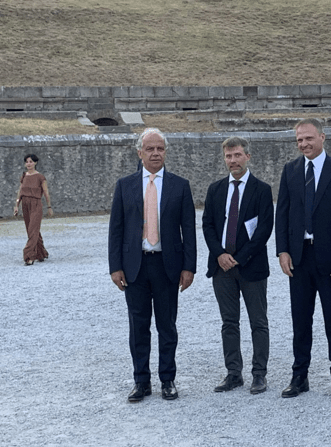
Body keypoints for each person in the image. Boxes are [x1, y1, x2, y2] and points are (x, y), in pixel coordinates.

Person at [108, 128, 197, 402]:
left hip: (167, 265)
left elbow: (189, 230)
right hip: (135, 266)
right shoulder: (125, 185)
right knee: (138, 326)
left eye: (160, 149)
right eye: (150, 149)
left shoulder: (180, 186)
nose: (156, 153)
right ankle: (141, 381)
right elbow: (116, 228)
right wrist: (115, 266)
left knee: (167, 326)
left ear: (165, 152)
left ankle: (167, 379)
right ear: (140, 152)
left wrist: (189, 267)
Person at [275, 118, 331, 398]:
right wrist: (282, 250)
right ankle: (300, 375)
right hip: (299, 258)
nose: (304, 144)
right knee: (301, 319)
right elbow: (282, 214)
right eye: (299, 140)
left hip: (329, 259)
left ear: (322, 137)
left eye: (308, 138)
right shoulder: (290, 171)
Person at [202, 137, 274, 395]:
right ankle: (234, 373)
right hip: (221, 268)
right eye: (228, 156)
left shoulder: (262, 190)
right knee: (229, 323)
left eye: (237, 155)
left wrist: (240, 257)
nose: (233, 160)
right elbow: (207, 225)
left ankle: (259, 374)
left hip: (251, 267)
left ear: (248, 156)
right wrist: (220, 254)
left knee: (258, 322)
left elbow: (264, 229)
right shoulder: (216, 189)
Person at [13, 154, 52, 265]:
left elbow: (46, 193)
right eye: (27, 162)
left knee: (32, 230)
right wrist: (16, 205)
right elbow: (20, 192)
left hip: (36, 204)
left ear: (35, 163)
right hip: (25, 204)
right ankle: (41, 253)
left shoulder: (40, 177)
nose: (28, 164)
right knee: (32, 230)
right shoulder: (24, 176)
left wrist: (49, 207)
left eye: (30, 161)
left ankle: (29, 256)